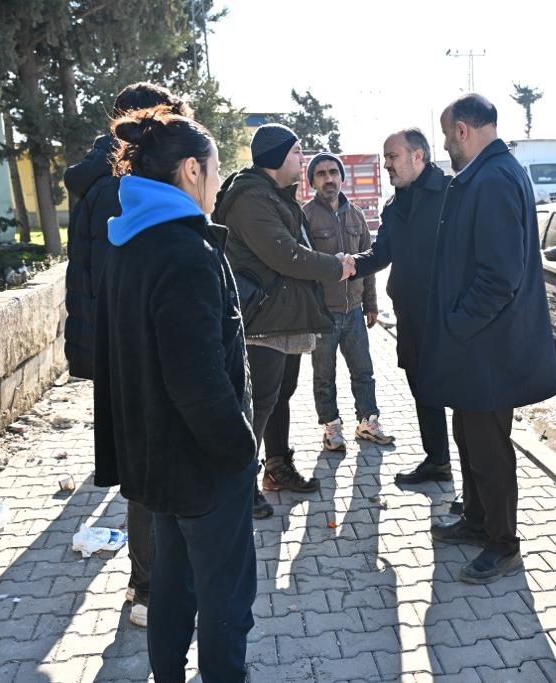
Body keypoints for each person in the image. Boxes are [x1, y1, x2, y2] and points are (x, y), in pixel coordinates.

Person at [93, 106, 257, 682]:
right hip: (205, 463)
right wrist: (240, 453)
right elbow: (197, 379)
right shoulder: (185, 251)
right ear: (191, 170)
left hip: (157, 459)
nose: (217, 184)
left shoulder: (129, 241)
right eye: (215, 171)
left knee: (171, 589)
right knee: (226, 602)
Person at [63, 81, 191, 628]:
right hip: (134, 342)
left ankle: (151, 584)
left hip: (111, 339)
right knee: (148, 468)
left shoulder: (97, 181)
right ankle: (148, 588)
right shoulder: (126, 187)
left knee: (142, 462)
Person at [422, 94, 556, 584]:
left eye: (445, 134)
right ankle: (477, 520)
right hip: (477, 344)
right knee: (468, 435)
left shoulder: (495, 177)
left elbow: (499, 275)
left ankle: (503, 544)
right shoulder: (487, 173)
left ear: (463, 130)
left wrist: (458, 323)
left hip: (487, 344)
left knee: (489, 447)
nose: (444, 145)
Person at [212, 124, 353, 516]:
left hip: (283, 315)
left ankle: (276, 468)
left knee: (279, 397)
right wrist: (335, 268)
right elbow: (285, 253)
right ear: (276, 157)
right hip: (262, 319)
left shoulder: (275, 195)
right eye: (296, 153)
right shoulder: (251, 198)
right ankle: (240, 487)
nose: (303, 160)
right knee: (257, 404)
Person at [352, 129, 454, 484]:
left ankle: (476, 491)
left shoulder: (451, 194)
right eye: (385, 158)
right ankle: (437, 461)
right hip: (410, 316)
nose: (385, 165)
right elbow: (383, 254)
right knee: (422, 389)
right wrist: (351, 264)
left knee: (462, 396)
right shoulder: (394, 205)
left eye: (392, 157)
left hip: (449, 317)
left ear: (418, 156)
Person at [302, 152, 394, 451]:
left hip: (354, 311)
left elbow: (368, 263)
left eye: (333, 172)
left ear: (342, 177)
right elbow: (300, 266)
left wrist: (371, 304)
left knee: (363, 372)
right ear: (313, 181)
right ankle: (331, 427)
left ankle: (367, 422)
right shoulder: (305, 217)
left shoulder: (356, 215)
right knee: (324, 376)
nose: (329, 178)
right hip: (322, 314)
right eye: (321, 174)